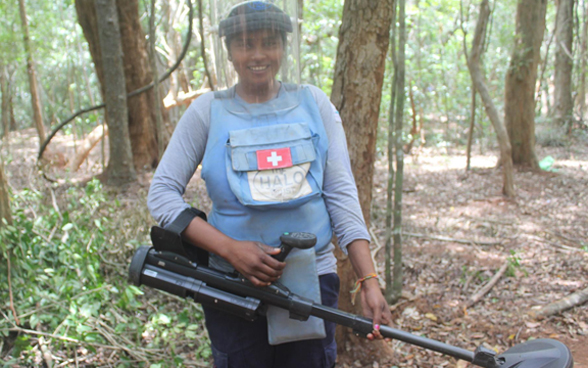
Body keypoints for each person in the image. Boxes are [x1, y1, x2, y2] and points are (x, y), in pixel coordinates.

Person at [147, 1, 392, 367]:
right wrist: (230, 249)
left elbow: (341, 194)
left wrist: (368, 279)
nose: (258, 54)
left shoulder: (314, 104)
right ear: (229, 51)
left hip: (312, 280)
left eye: (269, 43)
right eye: (246, 43)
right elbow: (162, 195)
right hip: (231, 285)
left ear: (284, 46)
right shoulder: (207, 111)